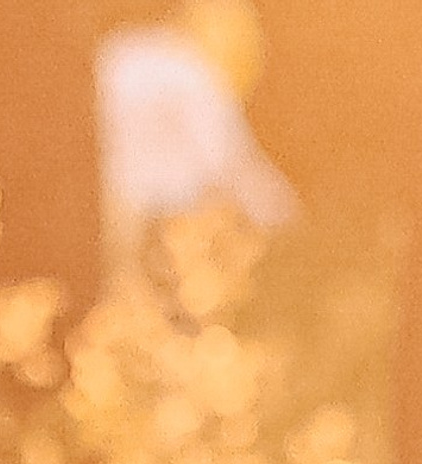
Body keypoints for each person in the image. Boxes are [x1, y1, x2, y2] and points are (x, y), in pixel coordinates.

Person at [95, 0, 298, 277]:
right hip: (168, 230)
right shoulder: (195, 73)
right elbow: (231, 163)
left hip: (115, 217)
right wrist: (288, 219)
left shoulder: (121, 53)